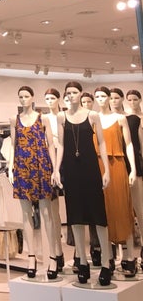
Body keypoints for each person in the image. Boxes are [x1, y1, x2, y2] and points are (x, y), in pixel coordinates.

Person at [53, 81, 112, 286]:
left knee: (99, 216)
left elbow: (102, 143)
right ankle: (83, 262)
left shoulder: (92, 115)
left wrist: (106, 169)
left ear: (80, 94)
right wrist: (56, 169)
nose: (71, 95)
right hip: (71, 170)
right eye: (68, 93)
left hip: (90, 168)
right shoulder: (61, 117)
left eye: (74, 92)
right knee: (75, 216)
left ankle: (106, 262)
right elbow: (61, 145)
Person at [8, 85, 58, 279]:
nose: (23, 100)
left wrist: (54, 169)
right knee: (26, 214)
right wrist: (11, 167)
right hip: (22, 166)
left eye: (26, 96)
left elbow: (51, 145)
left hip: (41, 165)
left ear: (32, 97)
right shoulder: (14, 120)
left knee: (46, 214)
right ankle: (31, 257)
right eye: (20, 97)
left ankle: (53, 256)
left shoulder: (42, 118)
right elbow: (13, 145)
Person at [94, 85, 138, 277]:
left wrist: (133, 168)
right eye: (98, 96)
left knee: (122, 209)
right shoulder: (92, 118)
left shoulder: (120, 119)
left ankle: (129, 256)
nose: (102, 99)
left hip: (118, 165)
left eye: (105, 96)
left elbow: (129, 144)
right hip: (98, 167)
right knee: (103, 211)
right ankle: (108, 257)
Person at [43, 88, 65, 271]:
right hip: (50, 160)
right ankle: (57, 251)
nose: (50, 101)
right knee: (53, 210)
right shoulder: (43, 118)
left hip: (67, 158)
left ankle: (78, 252)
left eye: (52, 98)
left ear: (59, 99)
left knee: (73, 206)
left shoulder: (65, 116)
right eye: (47, 98)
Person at [123, 89, 143, 260]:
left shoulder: (137, 119)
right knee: (129, 207)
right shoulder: (127, 119)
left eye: (135, 99)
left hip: (138, 162)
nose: (132, 102)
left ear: (140, 100)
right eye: (129, 99)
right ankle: (127, 252)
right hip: (129, 163)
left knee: (140, 207)